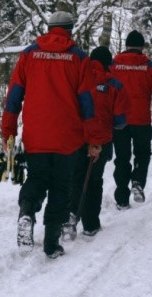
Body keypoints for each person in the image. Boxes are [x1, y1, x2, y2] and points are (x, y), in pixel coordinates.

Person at [1, 11, 104, 258]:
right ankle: (51, 242)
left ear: (49, 29)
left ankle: (27, 211)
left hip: (36, 135)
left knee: (36, 179)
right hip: (68, 138)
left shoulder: (28, 55)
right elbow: (88, 104)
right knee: (60, 188)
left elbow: (13, 96)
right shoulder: (79, 58)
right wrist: (94, 140)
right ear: (70, 30)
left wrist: (8, 132)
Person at [62, 46, 130, 239]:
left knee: (75, 179)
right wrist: (116, 126)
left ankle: (70, 215)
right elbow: (120, 118)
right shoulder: (114, 84)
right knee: (93, 181)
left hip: (76, 138)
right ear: (108, 63)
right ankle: (90, 225)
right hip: (101, 139)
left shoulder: (75, 78)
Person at [110, 30, 152, 209]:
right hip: (141, 121)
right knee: (142, 154)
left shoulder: (114, 65)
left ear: (126, 46)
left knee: (122, 158)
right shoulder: (149, 66)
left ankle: (121, 198)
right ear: (142, 47)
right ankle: (137, 181)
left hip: (119, 121)